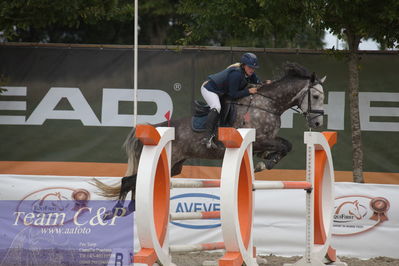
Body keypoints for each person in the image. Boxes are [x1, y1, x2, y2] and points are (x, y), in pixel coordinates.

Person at [200, 52, 262, 148]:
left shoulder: (249, 73)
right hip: (209, 89)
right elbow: (232, 94)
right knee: (217, 107)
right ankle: (207, 137)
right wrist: (248, 91)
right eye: (250, 67)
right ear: (244, 65)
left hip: (221, 92)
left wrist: (267, 83)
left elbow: (258, 82)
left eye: (253, 68)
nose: (252, 70)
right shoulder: (236, 74)